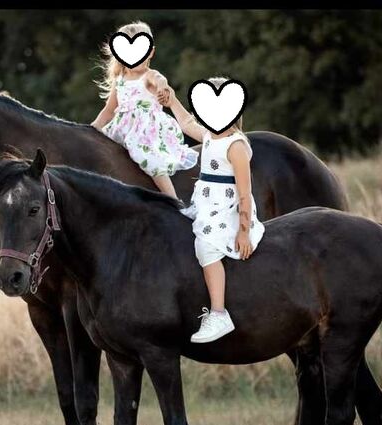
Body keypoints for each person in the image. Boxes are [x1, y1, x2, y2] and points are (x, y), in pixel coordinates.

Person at [164, 78, 265, 343]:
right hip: (206, 205)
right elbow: (186, 124)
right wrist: (172, 100)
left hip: (228, 208)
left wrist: (243, 232)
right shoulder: (210, 136)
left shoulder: (236, 146)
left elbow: (244, 193)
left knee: (205, 247)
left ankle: (219, 313)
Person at [91, 21, 198, 199]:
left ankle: (173, 200)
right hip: (122, 129)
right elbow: (109, 110)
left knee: (148, 158)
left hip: (146, 131)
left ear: (150, 52)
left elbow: (159, 79)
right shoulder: (120, 80)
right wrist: (93, 127)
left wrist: (163, 86)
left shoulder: (148, 76)